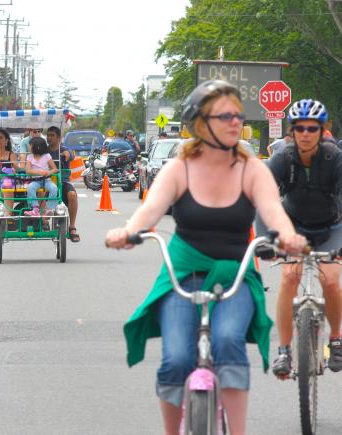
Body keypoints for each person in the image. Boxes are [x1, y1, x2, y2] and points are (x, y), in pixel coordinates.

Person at [105, 80, 306, 435]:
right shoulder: (179, 167)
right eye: (224, 115)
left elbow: (273, 211)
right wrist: (127, 232)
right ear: (200, 123)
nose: (235, 122)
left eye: (238, 116)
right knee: (177, 358)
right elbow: (150, 210)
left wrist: (287, 236)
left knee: (229, 341)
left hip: (235, 274)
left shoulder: (251, 168)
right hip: (183, 273)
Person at [265, 99, 342, 377]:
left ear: (322, 131)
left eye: (312, 128)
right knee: (288, 278)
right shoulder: (282, 158)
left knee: (331, 280)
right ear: (293, 131)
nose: (306, 133)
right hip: (293, 227)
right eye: (300, 128)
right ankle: (284, 350)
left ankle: (335, 340)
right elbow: (264, 198)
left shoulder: (335, 158)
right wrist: (268, 239)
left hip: (331, 227)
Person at [46, 126, 80, 242]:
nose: (49, 138)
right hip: (46, 182)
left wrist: (67, 154)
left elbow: (70, 155)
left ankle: (72, 227)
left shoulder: (64, 149)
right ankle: (44, 221)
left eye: (52, 135)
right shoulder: (43, 151)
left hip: (62, 182)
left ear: (59, 138)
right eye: (48, 135)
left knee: (72, 195)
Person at [24, 137, 58, 217]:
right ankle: (35, 208)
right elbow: (27, 171)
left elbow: (55, 169)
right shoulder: (30, 157)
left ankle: (49, 209)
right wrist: (38, 172)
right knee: (30, 187)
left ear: (36, 146)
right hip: (35, 180)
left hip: (46, 180)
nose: (29, 147)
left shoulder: (47, 156)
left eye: (30, 145)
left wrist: (48, 172)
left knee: (54, 188)